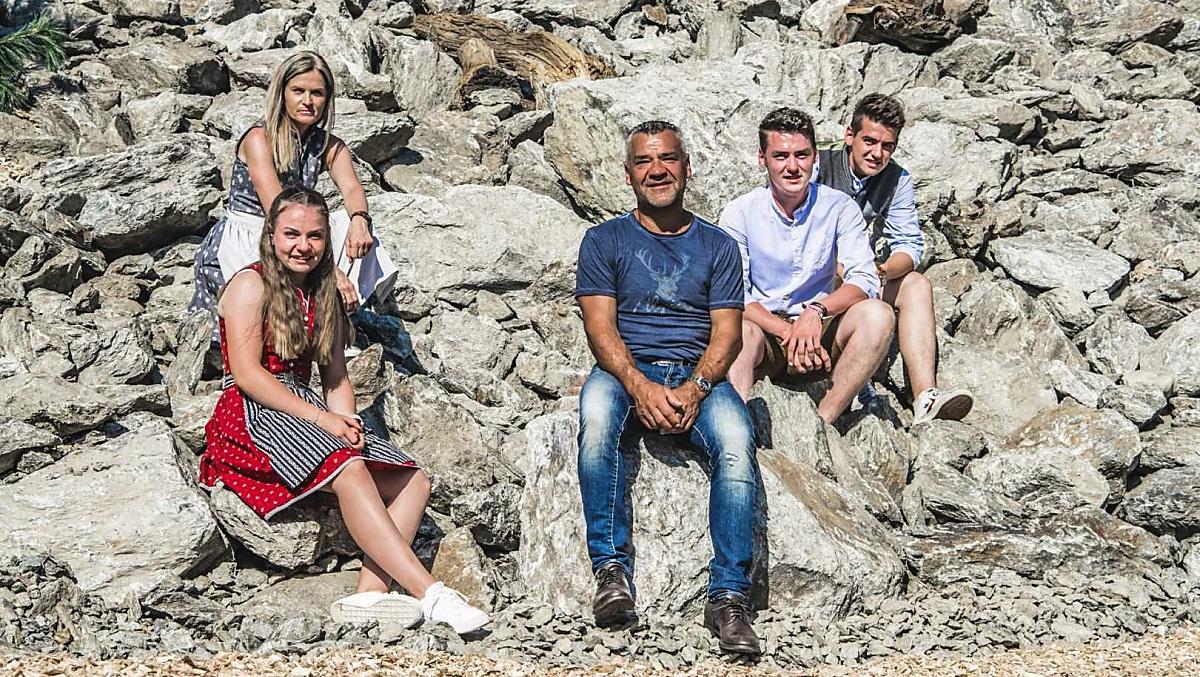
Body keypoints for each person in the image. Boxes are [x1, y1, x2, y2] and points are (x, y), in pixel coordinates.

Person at [198, 186, 488, 634]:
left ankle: (368, 595)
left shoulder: (323, 294)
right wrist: (323, 420)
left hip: (302, 405)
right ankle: (431, 593)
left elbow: (334, 376)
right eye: (292, 234)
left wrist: (346, 420)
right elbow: (247, 374)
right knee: (348, 467)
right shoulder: (250, 284)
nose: (303, 246)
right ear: (271, 234)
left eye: (314, 236)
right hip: (251, 412)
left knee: (412, 479)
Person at [575, 121, 761, 655]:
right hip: (625, 370)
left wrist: (696, 389)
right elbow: (600, 329)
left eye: (667, 159)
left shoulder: (718, 246)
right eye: (644, 162)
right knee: (596, 420)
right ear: (628, 174)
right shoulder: (603, 241)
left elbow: (728, 333)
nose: (657, 171)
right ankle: (610, 572)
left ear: (687, 167)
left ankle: (728, 597)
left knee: (737, 441)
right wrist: (640, 387)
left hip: (696, 372)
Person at [188, 50, 396, 322]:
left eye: (317, 93)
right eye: (298, 91)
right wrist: (328, 270)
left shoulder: (326, 144)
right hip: (255, 231)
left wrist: (360, 220)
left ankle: (334, 313)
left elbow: (352, 188)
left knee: (349, 223)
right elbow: (277, 210)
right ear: (282, 93)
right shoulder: (259, 139)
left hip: (295, 230)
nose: (308, 101)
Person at [720, 107, 894, 425]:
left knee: (878, 315)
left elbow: (864, 279)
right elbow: (735, 295)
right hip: (765, 330)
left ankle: (822, 424)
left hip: (820, 330)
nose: (792, 167)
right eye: (780, 156)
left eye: (801, 155)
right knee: (737, 330)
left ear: (815, 157)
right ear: (762, 158)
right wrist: (788, 332)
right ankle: (737, 425)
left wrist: (816, 312)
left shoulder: (839, 207)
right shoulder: (740, 213)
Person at [814, 94, 973, 424]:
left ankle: (925, 396)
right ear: (849, 136)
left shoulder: (897, 180)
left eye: (887, 146)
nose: (877, 154)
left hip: (857, 275)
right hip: (813, 278)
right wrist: (845, 270)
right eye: (870, 142)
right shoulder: (817, 165)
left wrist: (882, 270)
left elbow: (909, 247)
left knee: (915, 285)